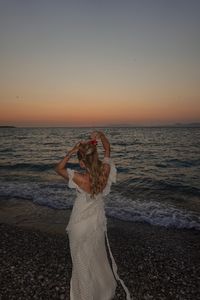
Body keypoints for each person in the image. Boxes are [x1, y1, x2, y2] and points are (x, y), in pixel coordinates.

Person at [55, 131, 132, 300]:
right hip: (95, 223)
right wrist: (101, 136)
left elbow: (58, 168)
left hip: (79, 224)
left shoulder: (80, 178)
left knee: (80, 260)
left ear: (82, 163)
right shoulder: (105, 169)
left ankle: (85, 294)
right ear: (96, 157)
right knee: (96, 255)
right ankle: (100, 290)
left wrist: (71, 151)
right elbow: (108, 149)